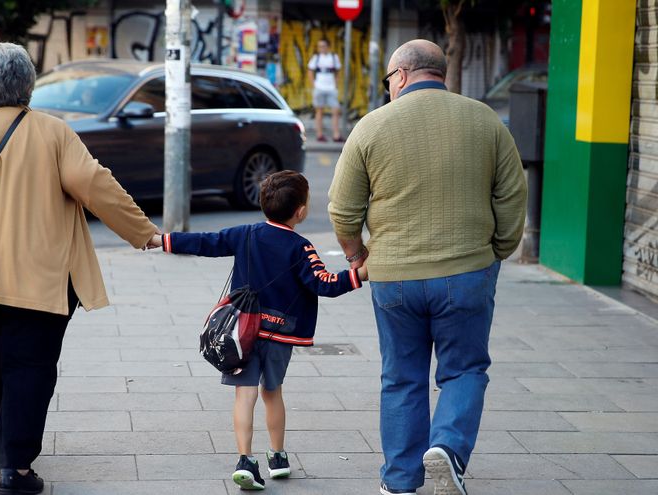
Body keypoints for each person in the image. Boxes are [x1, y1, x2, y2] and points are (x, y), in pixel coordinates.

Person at [0, 43, 160, 495]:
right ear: (29, 87)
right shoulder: (55, 133)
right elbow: (97, 185)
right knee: (30, 369)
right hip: (40, 281)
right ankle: (14, 467)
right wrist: (143, 233)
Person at [327, 40, 527, 495]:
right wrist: (497, 250)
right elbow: (512, 196)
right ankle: (448, 450)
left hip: (394, 276)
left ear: (399, 76)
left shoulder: (371, 126)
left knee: (400, 377)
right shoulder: (484, 120)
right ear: (441, 73)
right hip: (467, 271)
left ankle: (399, 482)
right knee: (464, 370)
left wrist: (359, 258)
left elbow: (342, 211)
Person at [150, 171, 367, 490]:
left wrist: (161, 240)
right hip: (281, 334)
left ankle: (245, 461)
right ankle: (277, 457)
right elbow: (323, 284)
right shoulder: (301, 248)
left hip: (242, 334)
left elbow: (205, 242)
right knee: (272, 391)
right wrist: (361, 273)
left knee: (244, 395)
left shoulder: (246, 234)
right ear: (301, 211)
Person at [307, 39, 343, 143]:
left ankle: (336, 135)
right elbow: (310, 71)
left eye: (323, 46)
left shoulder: (333, 57)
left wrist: (336, 84)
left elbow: (337, 72)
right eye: (319, 46)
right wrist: (314, 85)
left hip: (331, 88)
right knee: (319, 111)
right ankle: (319, 135)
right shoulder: (316, 58)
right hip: (319, 88)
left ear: (328, 47)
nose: (321, 48)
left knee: (335, 110)